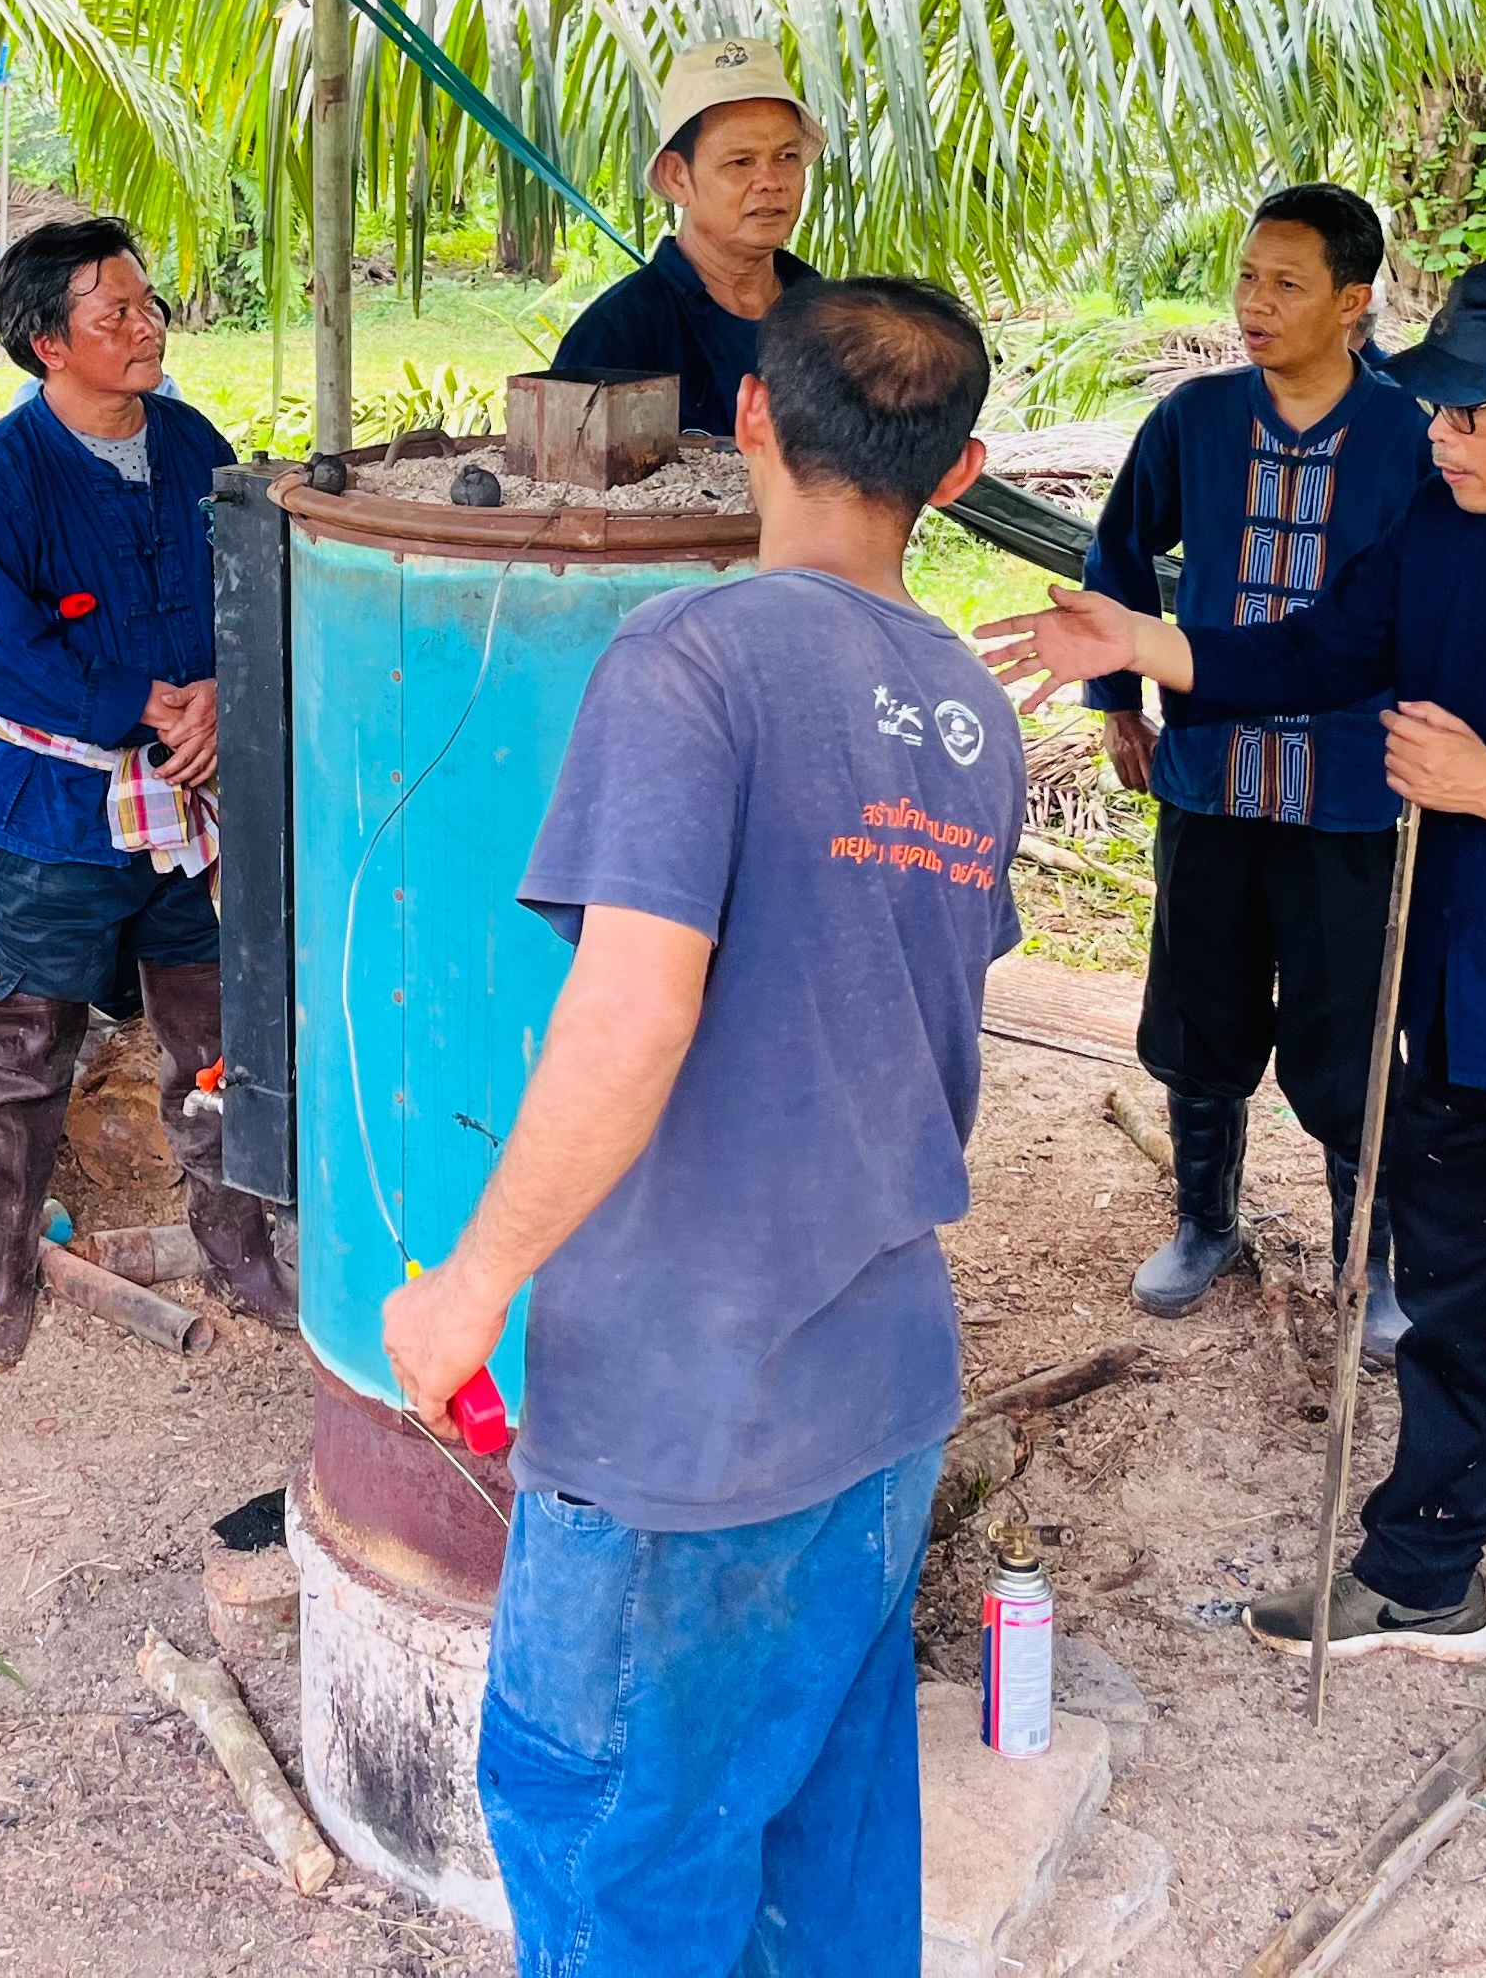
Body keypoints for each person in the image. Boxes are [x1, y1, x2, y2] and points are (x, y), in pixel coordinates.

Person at [986, 255, 1486, 1808]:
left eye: (1474, 415)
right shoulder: (1447, 532)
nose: (1442, 439)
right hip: (1453, 1001)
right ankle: (1425, 1575)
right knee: (1457, 1314)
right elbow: (1317, 654)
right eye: (1436, 410)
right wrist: (1147, 649)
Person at [383, 276, 1020, 1970]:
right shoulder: (975, 712)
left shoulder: (692, 656)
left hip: (687, 1410)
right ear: (955, 474)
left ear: (749, 416)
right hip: (880, 1379)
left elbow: (630, 1009)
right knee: (822, 1827)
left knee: (614, 1845)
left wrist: (465, 1287)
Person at [1081, 184, 1432, 1344]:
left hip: (1349, 793)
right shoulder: (1195, 419)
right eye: (1246, 278)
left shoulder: (1413, 436)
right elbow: (1120, 546)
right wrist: (1118, 701)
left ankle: (1366, 1258)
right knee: (1200, 1009)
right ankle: (1203, 1220)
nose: (1254, 305)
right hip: (1209, 777)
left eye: (1286, 284)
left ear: (1354, 302)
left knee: (1350, 1030)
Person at [0, 217, 293, 1366]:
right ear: (48, 342)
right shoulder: (3, 475)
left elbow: (257, 588)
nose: (145, 329)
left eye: (149, 307)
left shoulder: (195, 443)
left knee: (212, 1034)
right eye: (115, 315)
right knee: (27, 1039)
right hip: (58, 810)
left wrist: (221, 697)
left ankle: (233, 1237)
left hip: (197, 800)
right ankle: (1, 1260)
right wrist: (156, 701)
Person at [547, 34, 823, 433]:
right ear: (677, 177)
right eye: (741, 161)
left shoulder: (830, 317)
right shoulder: (617, 336)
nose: (771, 181)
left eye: (787, 157)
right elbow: (560, 485)